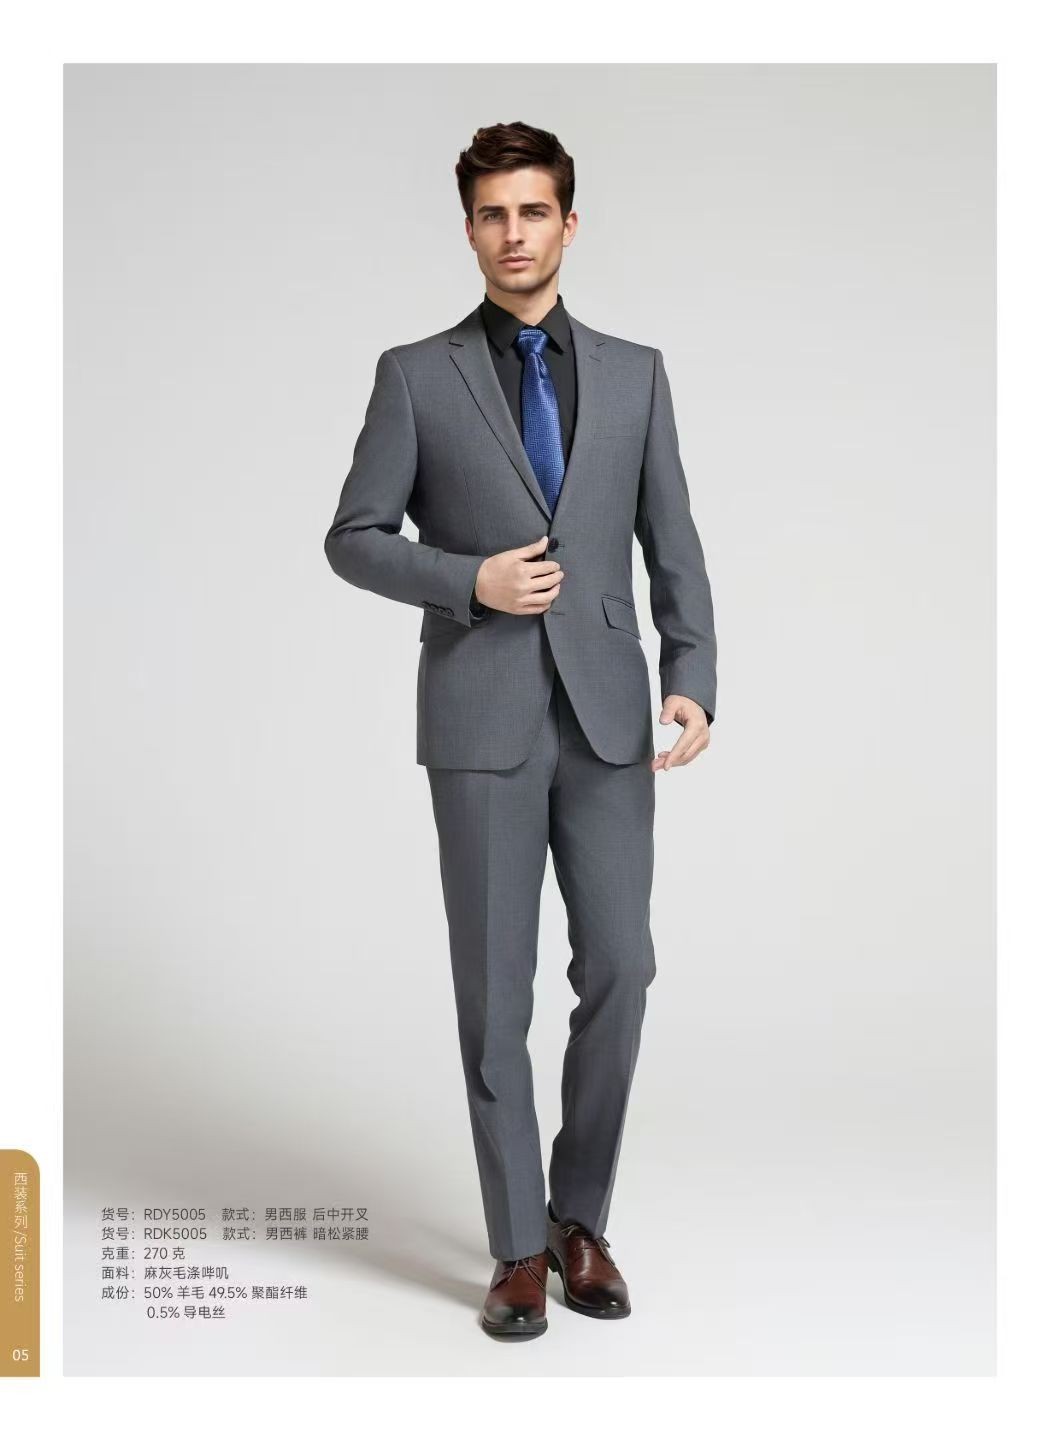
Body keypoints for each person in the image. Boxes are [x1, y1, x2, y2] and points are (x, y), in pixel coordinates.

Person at [324, 120, 717, 1341]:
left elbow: (672, 538)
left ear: (568, 224)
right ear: (469, 230)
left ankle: (576, 1218)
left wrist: (693, 672)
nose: (513, 234)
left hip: (606, 717)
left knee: (622, 969)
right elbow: (353, 537)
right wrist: (467, 582)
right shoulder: (414, 374)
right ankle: (513, 1248)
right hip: (480, 718)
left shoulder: (637, 373)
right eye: (492, 214)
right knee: (495, 996)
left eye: (532, 211)